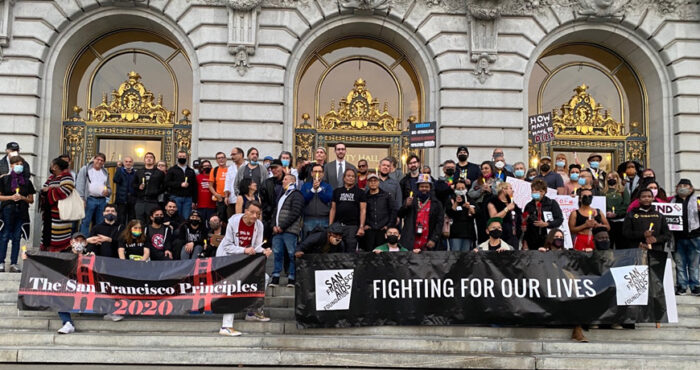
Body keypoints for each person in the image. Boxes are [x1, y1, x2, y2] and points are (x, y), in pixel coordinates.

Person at [217, 201, 273, 336]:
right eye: (252, 212)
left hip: (245, 259)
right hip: (227, 258)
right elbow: (227, 246)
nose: (254, 216)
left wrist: (264, 251)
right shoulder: (233, 222)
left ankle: (252, 311)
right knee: (232, 285)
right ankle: (226, 326)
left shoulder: (259, 225)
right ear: (245, 211)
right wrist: (245, 250)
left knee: (263, 278)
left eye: (258, 214)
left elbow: (257, 246)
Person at [0, 155, 35, 272]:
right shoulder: (4, 180)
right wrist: (11, 197)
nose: (19, 166)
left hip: (21, 211)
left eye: (21, 164)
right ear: (11, 165)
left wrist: (22, 198)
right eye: (16, 164)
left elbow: (31, 199)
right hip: (7, 210)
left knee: (17, 237)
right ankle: (1, 262)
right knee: (4, 236)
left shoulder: (27, 182)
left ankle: (14, 263)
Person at [270, 174, 304, 287]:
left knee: (291, 254)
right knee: (277, 253)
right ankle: (275, 277)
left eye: (285, 179)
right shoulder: (282, 195)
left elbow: (295, 212)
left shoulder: (297, 194)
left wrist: (282, 226)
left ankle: (292, 277)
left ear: (292, 181)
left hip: (290, 231)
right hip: (277, 231)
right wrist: (274, 225)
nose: (283, 181)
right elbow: (276, 212)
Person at [669, 179, 700, 295]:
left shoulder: (697, 200)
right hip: (678, 238)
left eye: (686, 185)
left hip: (694, 237)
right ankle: (681, 286)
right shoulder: (672, 202)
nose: (683, 187)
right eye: (680, 185)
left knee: (694, 264)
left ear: (691, 188)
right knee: (680, 264)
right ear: (676, 188)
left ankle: (695, 286)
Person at [398, 174, 443, 253]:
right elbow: (400, 214)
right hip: (411, 238)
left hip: (428, 239)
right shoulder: (411, 200)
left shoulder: (437, 203)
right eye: (422, 186)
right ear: (418, 187)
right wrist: (406, 205)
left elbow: (439, 223)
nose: (424, 189)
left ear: (430, 188)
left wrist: (433, 239)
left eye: (426, 187)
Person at [39, 157, 75, 252]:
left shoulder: (67, 176)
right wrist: (48, 189)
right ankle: (46, 249)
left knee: (58, 236)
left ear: (55, 166)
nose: (50, 166)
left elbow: (65, 191)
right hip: (48, 213)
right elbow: (44, 188)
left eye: (52, 165)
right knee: (47, 233)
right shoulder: (51, 177)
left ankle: (57, 251)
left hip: (60, 213)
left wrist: (50, 189)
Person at [329, 169, 367, 252]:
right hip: (338, 226)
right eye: (348, 176)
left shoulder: (360, 192)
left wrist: (361, 227)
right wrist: (330, 226)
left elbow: (363, 210)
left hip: (352, 227)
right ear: (344, 178)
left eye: (353, 176)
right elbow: (333, 209)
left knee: (350, 251)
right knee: (337, 250)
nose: (351, 178)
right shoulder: (337, 191)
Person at [76, 153, 112, 235]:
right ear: (94, 159)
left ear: (104, 162)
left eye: (102, 160)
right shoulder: (85, 169)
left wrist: (108, 192)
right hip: (89, 199)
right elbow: (80, 184)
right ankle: (84, 241)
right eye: (98, 159)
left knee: (100, 222)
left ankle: (97, 242)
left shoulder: (105, 172)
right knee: (86, 221)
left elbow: (109, 187)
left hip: (102, 200)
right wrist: (82, 199)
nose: (99, 162)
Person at [523, 179, 564, 250]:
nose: (534, 192)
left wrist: (547, 224)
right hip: (532, 241)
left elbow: (559, 219)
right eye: (532, 190)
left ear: (543, 192)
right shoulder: (529, 205)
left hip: (547, 239)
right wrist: (525, 241)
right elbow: (525, 223)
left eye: (536, 190)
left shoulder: (551, 203)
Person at [569, 187, 610, 252]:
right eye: (585, 196)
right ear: (580, 199)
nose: (587, 198)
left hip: (596, 239)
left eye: (590, 196)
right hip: (581, 239)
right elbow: (571, 230)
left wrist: (599, 226)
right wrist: (585, 225)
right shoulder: (575, 213)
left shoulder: (598, 211)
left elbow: (608, 227)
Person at [362, 173, 397, 251]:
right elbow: (361, 211)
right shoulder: (364, 196)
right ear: (367, 183)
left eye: (375, 180)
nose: (373, 182)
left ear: (378, 182)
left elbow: (393, 211)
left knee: (383, 254)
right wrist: (364, 225)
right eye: (370, 181)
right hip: (369, 230)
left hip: (383, 230)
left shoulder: (386, 196)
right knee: (369, 253)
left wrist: (388, 226)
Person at [468, 161, 498, 244]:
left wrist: (490, 190)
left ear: (491, 169)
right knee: (481, 233)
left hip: (493, 210)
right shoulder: (477, 182)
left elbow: (501, 193)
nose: (484, 170)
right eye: (482, 169)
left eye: (486, 168)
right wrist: (481, 190)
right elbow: (470, 194)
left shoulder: (497, 181)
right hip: (481, 211)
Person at [300, 164, 333, 236]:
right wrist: (312, 190)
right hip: (309, 219)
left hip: (324, 219)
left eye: (320, 171)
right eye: (315, 171)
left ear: (323, 174)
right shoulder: (305, 185)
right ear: (311, 173)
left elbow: (328, 199)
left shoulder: (328, 186)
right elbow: (303, 199)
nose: (317, 173)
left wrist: (319, 190)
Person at [487, 182, 522, 249]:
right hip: (500, 236)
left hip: (513, 236)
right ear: (504, 189)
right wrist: (506, 209)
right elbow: (494, 219)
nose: (512, 191)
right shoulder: (493, 202)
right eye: (510, 188)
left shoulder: (511, 202)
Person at [165, 151, 198, 219]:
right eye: (180, 157)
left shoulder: (191, 171)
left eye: (183, 157)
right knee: (176, 216)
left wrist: (194, 200)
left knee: (186, 218)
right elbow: (167, 182)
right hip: (175, 197)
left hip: (188, 198)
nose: (182, 158)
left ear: (187, 157)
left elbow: (195, 186)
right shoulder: (172, 170)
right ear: (177, 157)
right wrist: (180, 184)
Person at [446, 179, 477, 252]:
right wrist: (456, 203)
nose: (461, 190)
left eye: (463, 188)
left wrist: (469, 207)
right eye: (458, 188)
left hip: (468, 233)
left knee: (466, 257)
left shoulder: (470, 199)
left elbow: (476, 213)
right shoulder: (451, 200)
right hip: (455, 234)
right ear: (454, 189)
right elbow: (450, 213)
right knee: (455, 256)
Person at [133, 152, 164, 223]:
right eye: (147, 157)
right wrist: (138, 187)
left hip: (153, 201)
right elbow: (133, 184)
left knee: (151, 222)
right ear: (144, 160)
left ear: (154, 160)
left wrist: (156, 192)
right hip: (140, 201)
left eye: (151, 157)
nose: (149, 159)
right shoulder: (139, 172)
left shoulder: (159, 173)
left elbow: (164, 186)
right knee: (139, 222)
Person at [260, 159, 284, 247]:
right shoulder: (266, 183)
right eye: (272, 168)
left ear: (281, 167)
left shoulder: (289, 181)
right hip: (269, 219)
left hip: (284, 220)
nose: (274, 170)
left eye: (276, 167)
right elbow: (263, 203)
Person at [603, 172, 630, 249]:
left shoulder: (623, 191)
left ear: (618, 179)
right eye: (609, 177)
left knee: (621, 245)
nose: (611, 179)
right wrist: (606, 213)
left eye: (614, 177)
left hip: (620, 222)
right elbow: (600, 204)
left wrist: (617, 213)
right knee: (608, 245)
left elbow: (626, 204)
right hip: (607, 222)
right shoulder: (602, 192)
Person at [112, 156, 137, 226]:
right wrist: (119, 168)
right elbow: (115, 180)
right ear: (123, 163)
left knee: (131, 220)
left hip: (132, 201)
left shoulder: (135, 173)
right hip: (121, 200)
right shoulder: (120, 171)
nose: (128, 163)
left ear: (133, 163)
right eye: (126, 162)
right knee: (121, 220)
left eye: (130, 162)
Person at [223, 147, 246, 218]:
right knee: (231, 220)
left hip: (245, 199)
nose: (232, 157)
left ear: (241, 155)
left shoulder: (248, 166)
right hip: (232, 199)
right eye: (231, 155)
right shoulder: (230, 168)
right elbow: (228, 182)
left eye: (234, 154)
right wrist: (226, 196)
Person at [208, 152, 229, 221]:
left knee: (230, 218)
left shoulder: (231, 169)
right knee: (221, 219)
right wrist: (216, 195)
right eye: (219, 158)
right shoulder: (214, 170)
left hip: (230, 198)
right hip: (220, 199)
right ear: (216, 160)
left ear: (226, 159)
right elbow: (210, 186)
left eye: (222, 158)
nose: (221, 160)